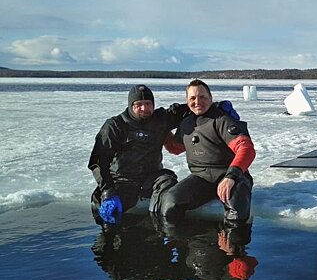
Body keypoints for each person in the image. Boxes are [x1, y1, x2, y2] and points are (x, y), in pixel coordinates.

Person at [158, 79, 256, 225]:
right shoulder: (186, 124)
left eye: (202, 97)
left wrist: (231, 176)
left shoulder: (222, 120)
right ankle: (186, 243)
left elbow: (246, 148)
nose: (197, 101)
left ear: (210, 98)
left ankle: (232, 246)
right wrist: (162, 127)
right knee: (170, 203)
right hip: (201, 178)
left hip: (231, 176)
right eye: (192, 98)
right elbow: (175, 148)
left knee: (237, 212)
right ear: (187, 100)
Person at [88, 84, 189, 225]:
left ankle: (158, 224)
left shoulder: (161, 119)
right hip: (122, 179)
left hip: (152, 176)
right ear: (131, 105)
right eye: (138, 104)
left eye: (148, 104)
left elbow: (191, 108)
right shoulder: (115, 126)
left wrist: (217, 108)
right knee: (110, 218)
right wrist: (107, 191)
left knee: (168, 181)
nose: (144, 108)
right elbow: (98, 162)